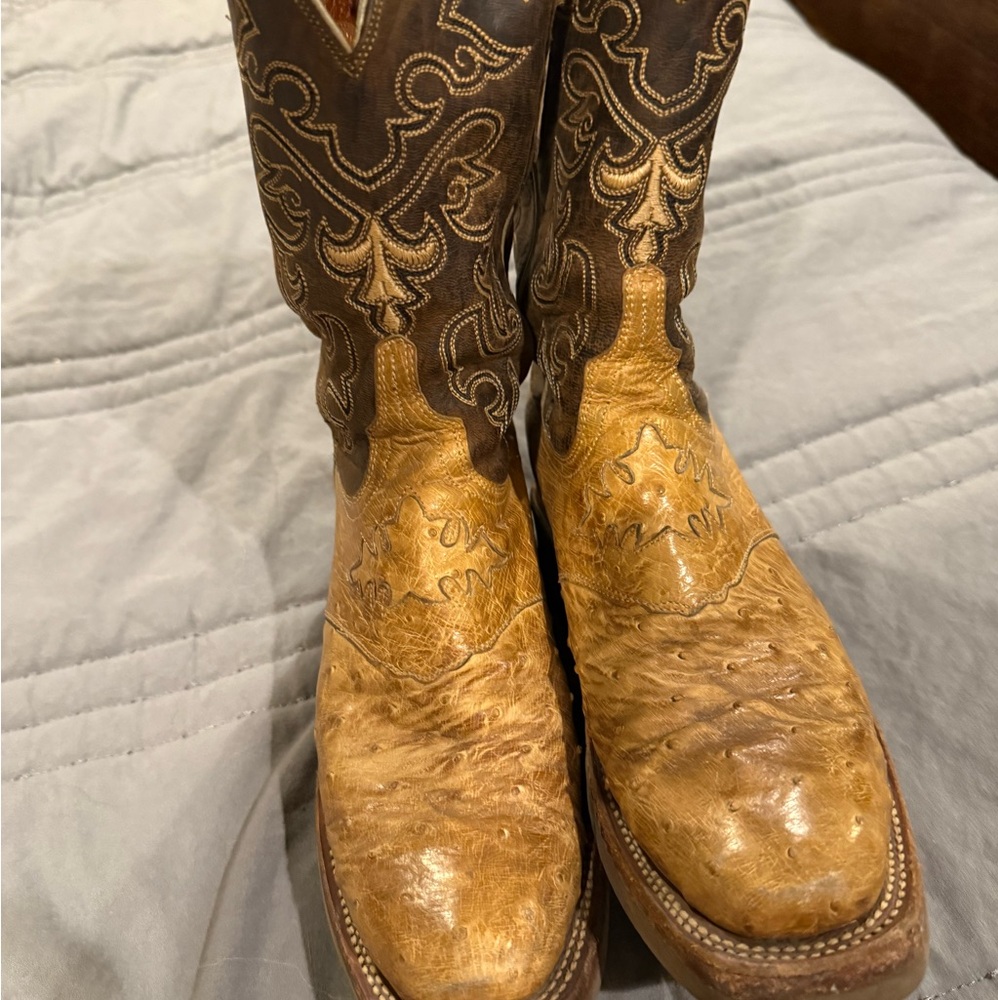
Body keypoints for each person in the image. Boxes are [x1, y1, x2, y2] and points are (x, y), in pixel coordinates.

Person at [226, 1, 928, 997]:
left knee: (624, 301)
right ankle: (427, 459)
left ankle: (598, 408)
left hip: (620, 379)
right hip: (412, 428)